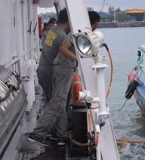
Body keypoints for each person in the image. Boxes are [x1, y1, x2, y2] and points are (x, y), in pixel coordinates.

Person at [28, 10, 100, 147]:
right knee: (57, 102)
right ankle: (39, 133)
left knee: (59, 102)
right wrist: (78, 60)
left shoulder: (54, 31)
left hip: (49, 69)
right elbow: (63, 49)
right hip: (57, 70)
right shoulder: (67, 35)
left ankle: (60, 134)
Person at [36, 10, 69, 102]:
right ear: (68, 21)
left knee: (49, 100)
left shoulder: (53, 30)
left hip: (42, 70)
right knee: (54, 101)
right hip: (48, 73)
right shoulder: (62, 36)